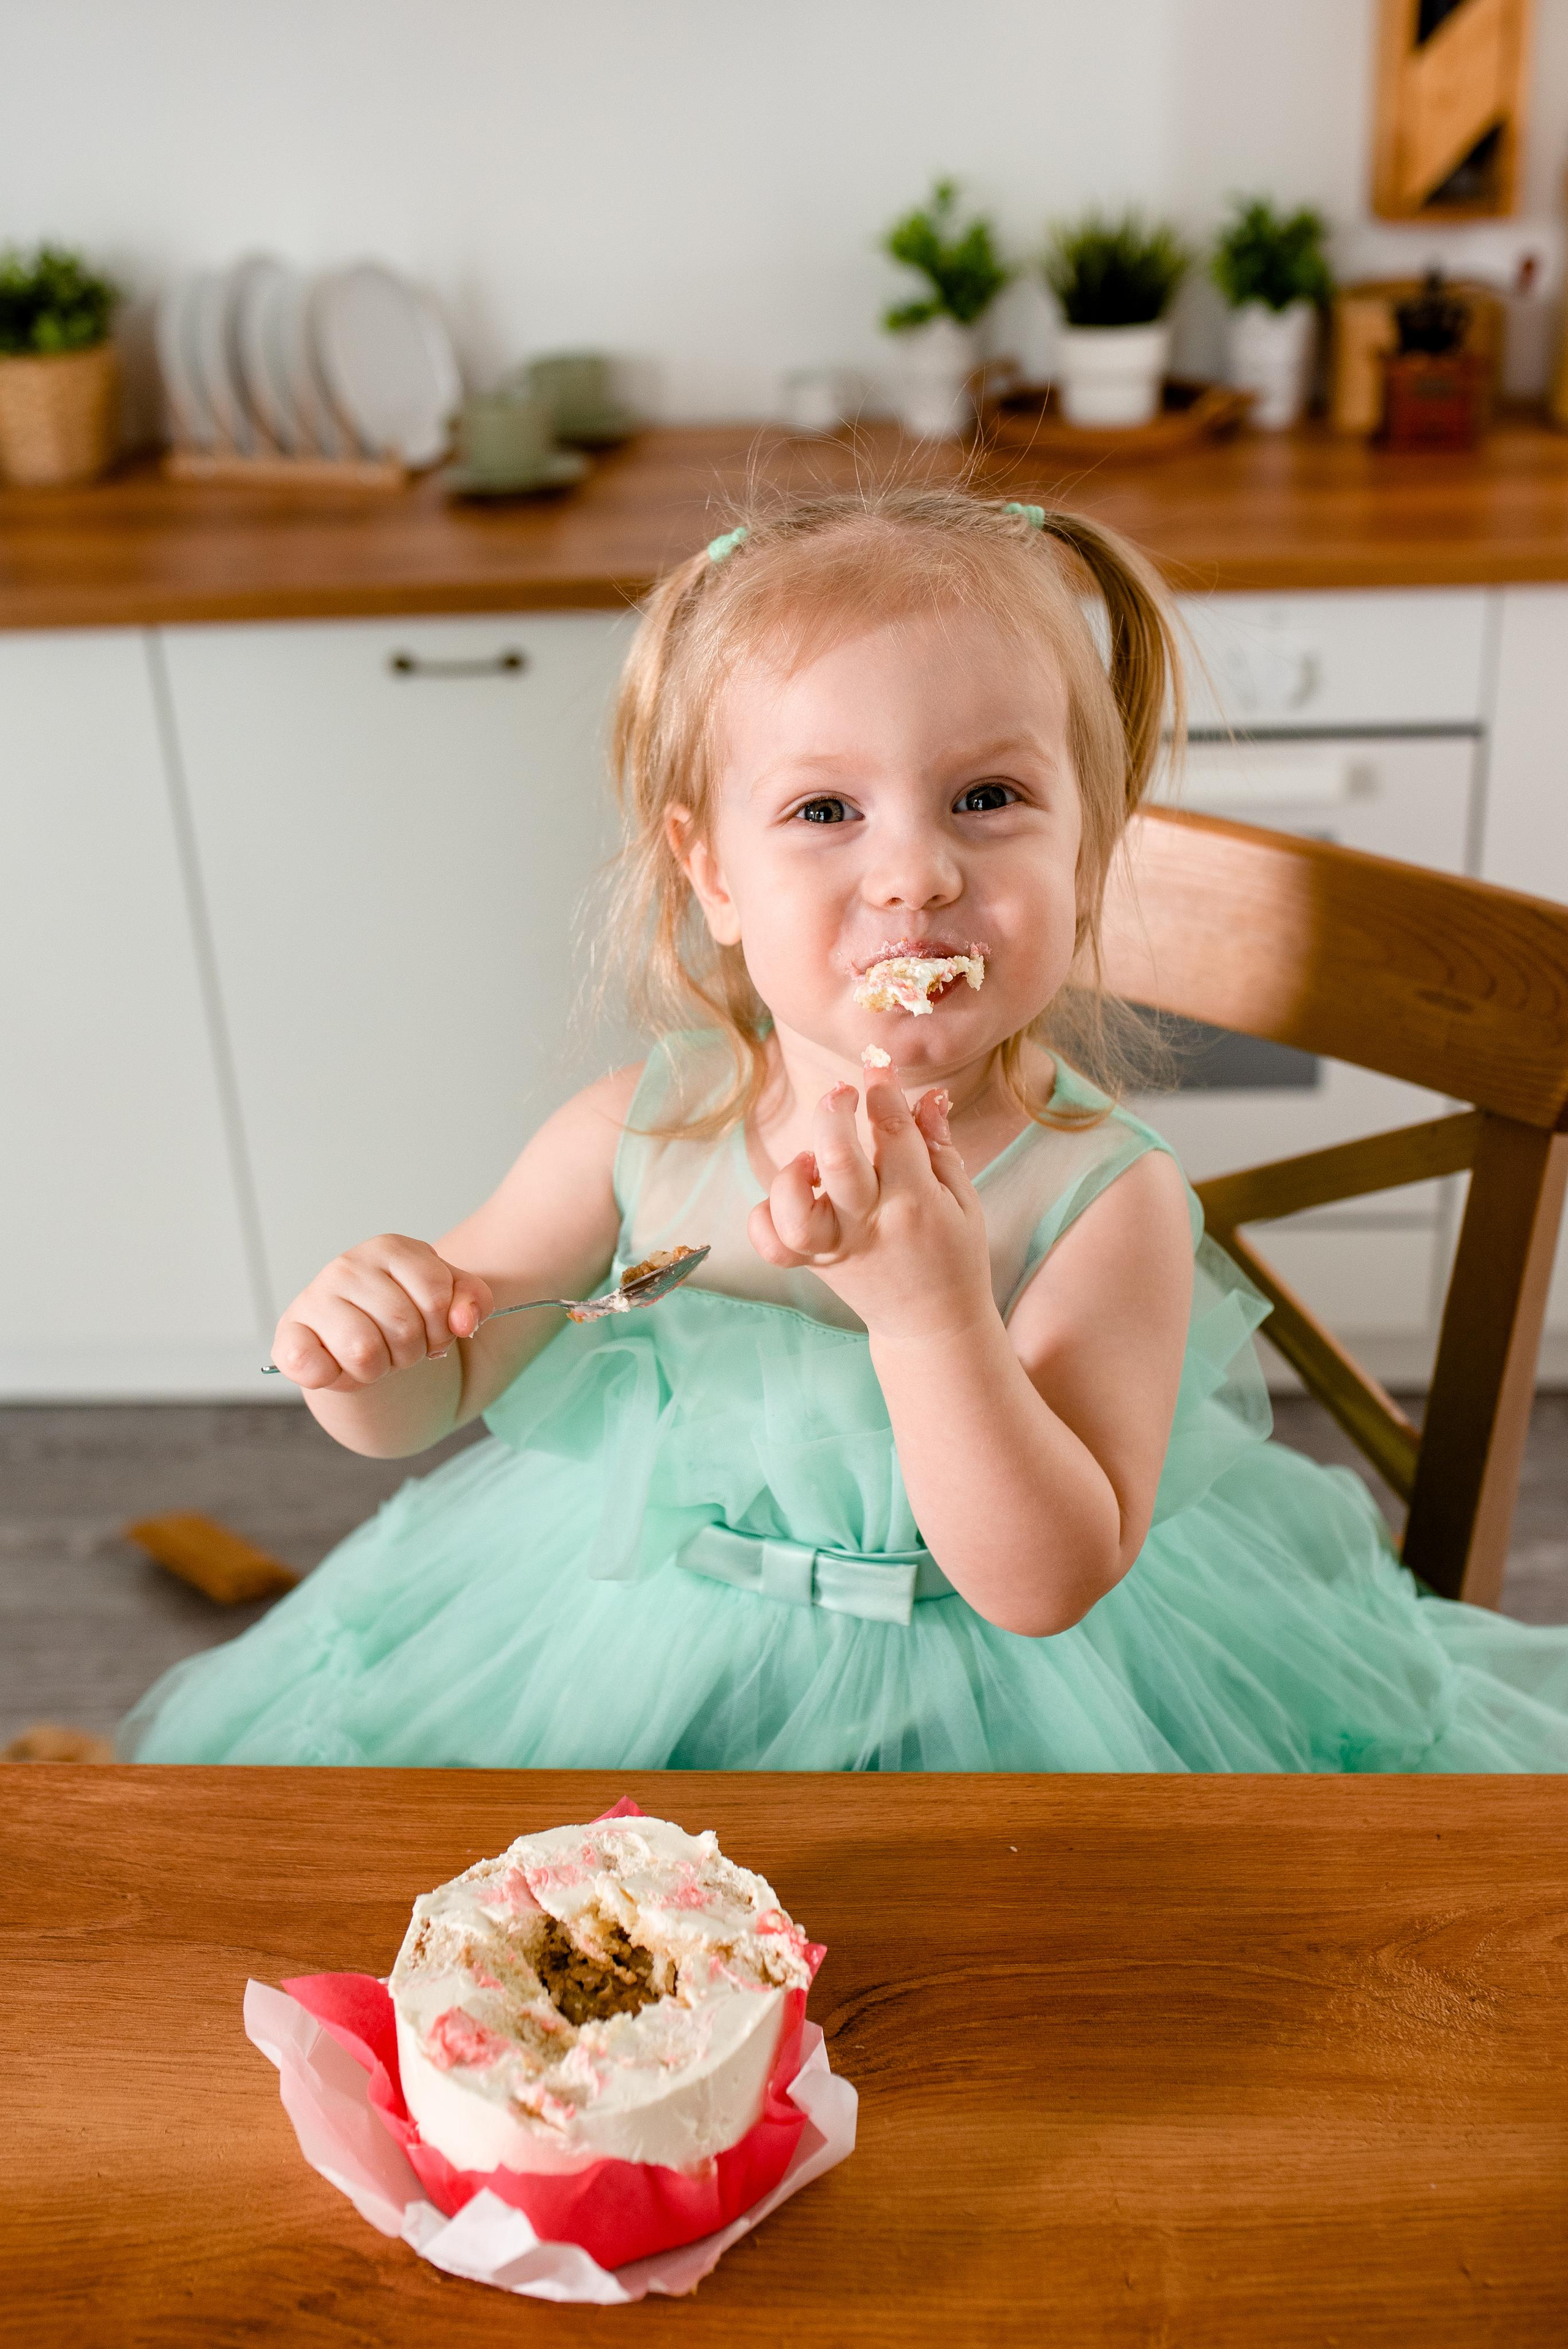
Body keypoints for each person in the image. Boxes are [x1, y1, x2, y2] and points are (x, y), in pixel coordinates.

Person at [121, 486, 1568, 1771]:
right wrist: (364, 1350)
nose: (914, 872)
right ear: (712, 872)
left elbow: (1046, 1583)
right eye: (824, 808)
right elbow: (431, 1395)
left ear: (1084, 845)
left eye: (988, 797)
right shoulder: (636, 1135)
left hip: (1029, 1718)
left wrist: (933, 1316)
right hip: (632, 1668)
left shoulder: (1102, 1198)